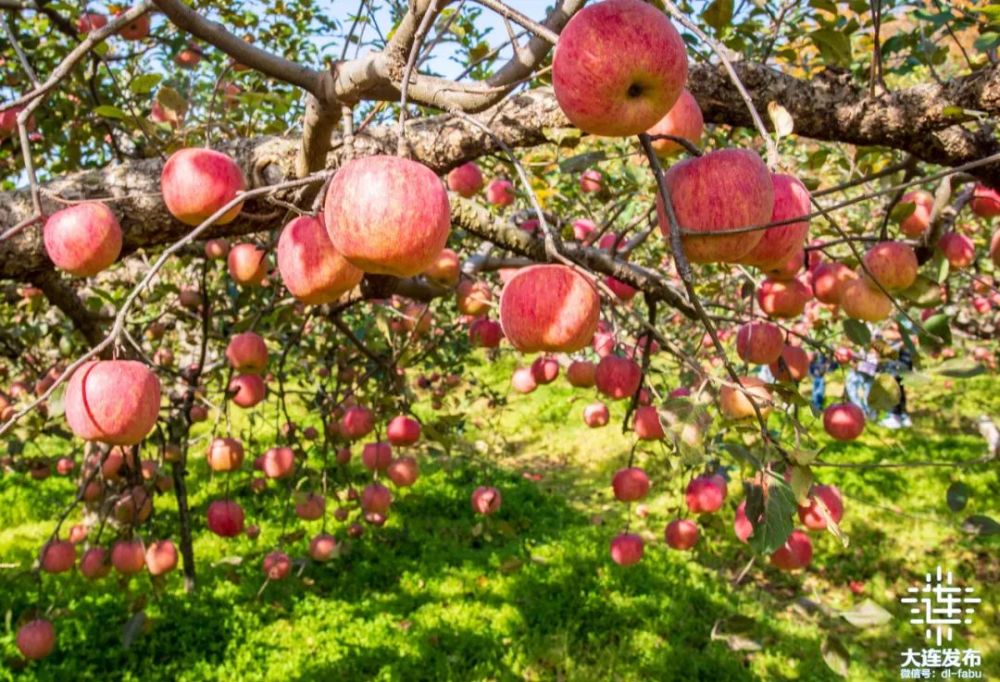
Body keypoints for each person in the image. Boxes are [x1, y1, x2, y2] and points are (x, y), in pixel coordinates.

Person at [846, 346, 878, 419]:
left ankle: (865, 412)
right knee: (866, 392)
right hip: (866, 369)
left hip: (865, 369)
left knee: (855, 391)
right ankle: (866, 412)